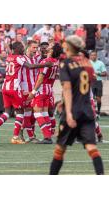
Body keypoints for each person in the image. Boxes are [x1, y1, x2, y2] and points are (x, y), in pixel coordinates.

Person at [49, 35, 104, 175]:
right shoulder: (87, 63)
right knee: (92, 149)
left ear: (69, 46)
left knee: (60, 150)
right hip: (87, 111)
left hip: (73, 111)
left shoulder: (65, 63)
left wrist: (68, 113)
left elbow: (67, 89)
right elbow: (84, 84)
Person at [0, 42, 50, 144]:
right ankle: (17, 136)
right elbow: (29, 66)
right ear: (17, 49)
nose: (23, 48)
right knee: (21, 112)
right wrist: (45, 64)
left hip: (5, 87)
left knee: (7, 112)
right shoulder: (20, 58)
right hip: (16, 88)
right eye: (21, 47)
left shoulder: (9, 57)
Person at [90, 51, 107, 118]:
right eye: (92, 55)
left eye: (94, 55)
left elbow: (105, 73)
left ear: (97, 56)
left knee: (98, 98)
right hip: (90, 81)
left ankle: (98, 113)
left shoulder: (100, 63)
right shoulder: (88, 63)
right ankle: (92, 113)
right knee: (91, 98)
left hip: (98, 82)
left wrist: (98, 73)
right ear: (90, 56)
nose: (93, 56)